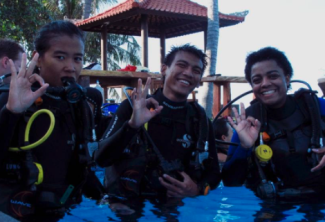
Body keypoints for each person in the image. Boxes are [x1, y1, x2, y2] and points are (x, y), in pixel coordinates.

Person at [95, 44, 221, 211]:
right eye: (181, 65)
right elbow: (101, 159)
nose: (189, 73)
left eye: (196, 71)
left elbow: (214, 174)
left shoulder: (200, 119)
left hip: (173, 207)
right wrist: (132, 126)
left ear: (199, 81)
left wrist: (197, 189)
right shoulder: (133, 107)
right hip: (126, 206)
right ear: (164, 69)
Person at [0, 20, 104, 220]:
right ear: (38, 59)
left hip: (62, 208)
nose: (70, 67)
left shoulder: (81, 107)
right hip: (13, 211)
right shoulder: (10, 97)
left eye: (78, 58)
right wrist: (12, 112)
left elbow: (83, 165)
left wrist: (106, 198)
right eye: (60, 57)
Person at [222, 47, 325, 200]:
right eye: (257, 80)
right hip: (274, 205)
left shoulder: (316, 106)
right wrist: (244, 147)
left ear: (287, 78)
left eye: (273, 76)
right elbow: (230, 182)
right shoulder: (248, 122)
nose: (265, 84)